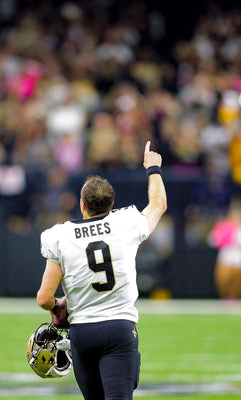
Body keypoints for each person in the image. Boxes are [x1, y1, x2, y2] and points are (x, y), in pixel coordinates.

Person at [36, 141, 167, 400]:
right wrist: (153, 169)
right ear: (111, 204)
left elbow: (43, 298)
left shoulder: (59, 235)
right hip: (120, 328)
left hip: (82, 331)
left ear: (82, 205)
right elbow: (158, 204)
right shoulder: (126, 223)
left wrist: (56, 306)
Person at [208, 198, 241, 300]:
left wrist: (233, 235)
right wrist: (222, 236)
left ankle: (234, 299)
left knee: (237, 282)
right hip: (226, 258)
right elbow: (212, 240)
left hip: (239, 259)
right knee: (222, 280)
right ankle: (224, 297)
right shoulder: (223, 226)